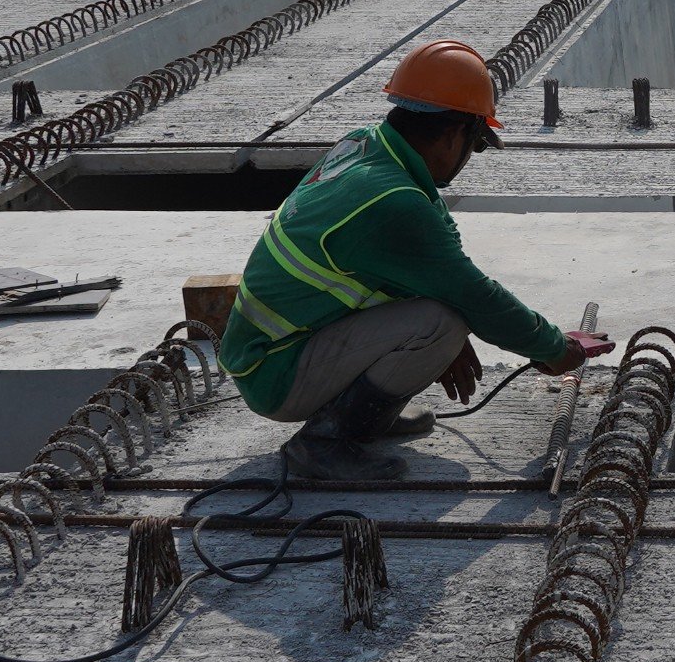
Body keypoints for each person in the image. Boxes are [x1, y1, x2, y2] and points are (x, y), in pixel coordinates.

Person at [218, 39, 608, 480]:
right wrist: (553, 348)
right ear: (452, 134)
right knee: (440, 323)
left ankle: (366, 420)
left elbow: (430, 261)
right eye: (474, 144)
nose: (467, 158)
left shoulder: (367, 147)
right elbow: (473, 293)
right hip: (276, 374)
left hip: (270, 350)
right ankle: (323, 445)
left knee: (443, 316)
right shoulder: (392, 202)